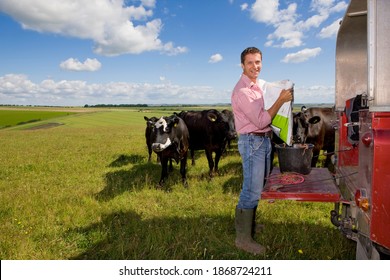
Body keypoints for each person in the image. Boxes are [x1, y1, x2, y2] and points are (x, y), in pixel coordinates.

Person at [231, 47, 293, 255]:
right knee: (250, 190)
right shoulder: (243, 91)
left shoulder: (259, 86)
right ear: (242, 65)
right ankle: (243, 239)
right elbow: (261, 120)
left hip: (264, 141)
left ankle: (250, 227)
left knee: (258, 186)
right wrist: (281, 101)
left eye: (258, 62)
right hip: (252, 142)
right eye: (250, 63)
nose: (255, 66)